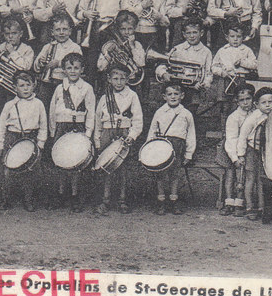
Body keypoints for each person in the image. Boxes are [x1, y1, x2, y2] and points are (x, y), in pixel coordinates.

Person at [92, 64, 144, 215]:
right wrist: (97, 140)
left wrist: (132, 136)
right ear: (109, 79)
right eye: (115, 79)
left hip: (124, 133)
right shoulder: (104, 97)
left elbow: (138, 119)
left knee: (122, 168)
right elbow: (97, 120)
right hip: (107, 133)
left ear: (128, 79)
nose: (119, 82)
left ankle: (122, 200)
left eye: (122, 79)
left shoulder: (132, 96)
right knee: (105, 166)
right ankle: (105, 200)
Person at [47, 52, 96, 212]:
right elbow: (52, 111)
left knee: (76, 162)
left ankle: (75, 195)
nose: (73, 71)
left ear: (82, 69)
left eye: (76, 68)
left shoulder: (87, 88)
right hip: (62, 126)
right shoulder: (59, 88)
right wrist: (53, 131)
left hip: (79, 127)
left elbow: (91, 111)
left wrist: (88, 134)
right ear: (64, 70)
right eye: (69, 68)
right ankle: (61, 194)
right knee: (60, 161)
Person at [0, 70, 48, 212]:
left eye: (28, 85)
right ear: (14, 87)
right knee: (8, 170)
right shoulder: (10, 105)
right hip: (12, 137)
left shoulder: (38, 104)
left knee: (29, 171)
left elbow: (43, 125)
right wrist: (0, 144)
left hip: (30, 138)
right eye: (21, 85)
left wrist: (41, 143)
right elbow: (1, 126)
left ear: (34, 86)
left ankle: (28, 199)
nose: (25, 88)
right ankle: (5, 199)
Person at [146, 83, 196, 215]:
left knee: (175, 175)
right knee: (161, 174)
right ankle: (161, 201)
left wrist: (189, 154)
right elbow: (152, 130)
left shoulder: (186, 114)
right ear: (164, 96)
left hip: (178, 146)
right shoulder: (160, 112)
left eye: (176, 94)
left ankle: (174, 201)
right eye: (169, 94)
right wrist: (149, 148)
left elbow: (191, 134)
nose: (173, 97)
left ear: (182, 96)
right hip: (162, 145)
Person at [77, 0, 128, 83]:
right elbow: (79, 12)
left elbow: (125, 13)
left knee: (110, 59)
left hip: (112, 28)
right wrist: (86, 13)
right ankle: (92, 86)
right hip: (94, 28)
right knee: (92, 59)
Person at [236, 86, 272, 221]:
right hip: (252, 151)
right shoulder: (254, 117)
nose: (267, 105)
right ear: (257, 104)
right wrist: (241, 154)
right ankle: (249, 207)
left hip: (267, 152)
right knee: (250, 179)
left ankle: (262, 207)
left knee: (263, 180)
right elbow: (243, 136)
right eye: (263, 103)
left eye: (270, 102)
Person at [0, 18, 34, 125]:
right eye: (7, 34)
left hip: (18, 87)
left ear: (21, 34)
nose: (10, 36)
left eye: (14, 33)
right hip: (2, 84)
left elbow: (25, 67)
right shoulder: (1, 46)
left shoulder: (27, 49)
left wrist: (12, 52)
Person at [33, 15, 82, 109]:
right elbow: (36, 67)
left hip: (66, 83)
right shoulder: (48, 46)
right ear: (52, 32)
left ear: (70, 31)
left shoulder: (75, 47)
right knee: (44, 106)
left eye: (65, 29)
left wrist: (59, 63)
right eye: (58, 30)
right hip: (47, 83)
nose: (61, 33)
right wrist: (40, 62)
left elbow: (77, 64)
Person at [221, 84, 255, 216]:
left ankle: (239, 203)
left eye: (248, 98)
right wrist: (235, 158)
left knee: (244, 176)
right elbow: (231, 139)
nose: (245, 102)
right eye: (242, 100)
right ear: (237, 100)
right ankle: (229, 202)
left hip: (248, 149)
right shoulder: (234, 117)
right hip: (231, 149)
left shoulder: (256, 113)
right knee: (231, 174)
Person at [211, 23, 258, 109]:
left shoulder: (246, 50)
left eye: (238, 36)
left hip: (240, 79)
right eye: (232, 36)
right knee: (223, 104)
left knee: (238, 102)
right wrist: (221, 72)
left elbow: (255, 64)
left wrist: (242, 63)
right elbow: (214, 66)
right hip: (225, 79)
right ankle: (224, 121)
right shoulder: (222, 50)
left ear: (243, 37)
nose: (235, 39)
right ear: (227, 37)